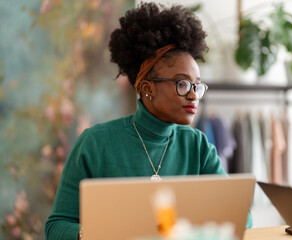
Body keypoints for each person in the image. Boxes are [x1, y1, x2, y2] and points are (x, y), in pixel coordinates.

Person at [45, 2, 252, 240]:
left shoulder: (198, 146)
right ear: (146, 88)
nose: (194, 94)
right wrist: (99, 233)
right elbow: (56, 227)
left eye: (197, 85)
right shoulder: (94, 143)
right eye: (182, 84)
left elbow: (241, 217)